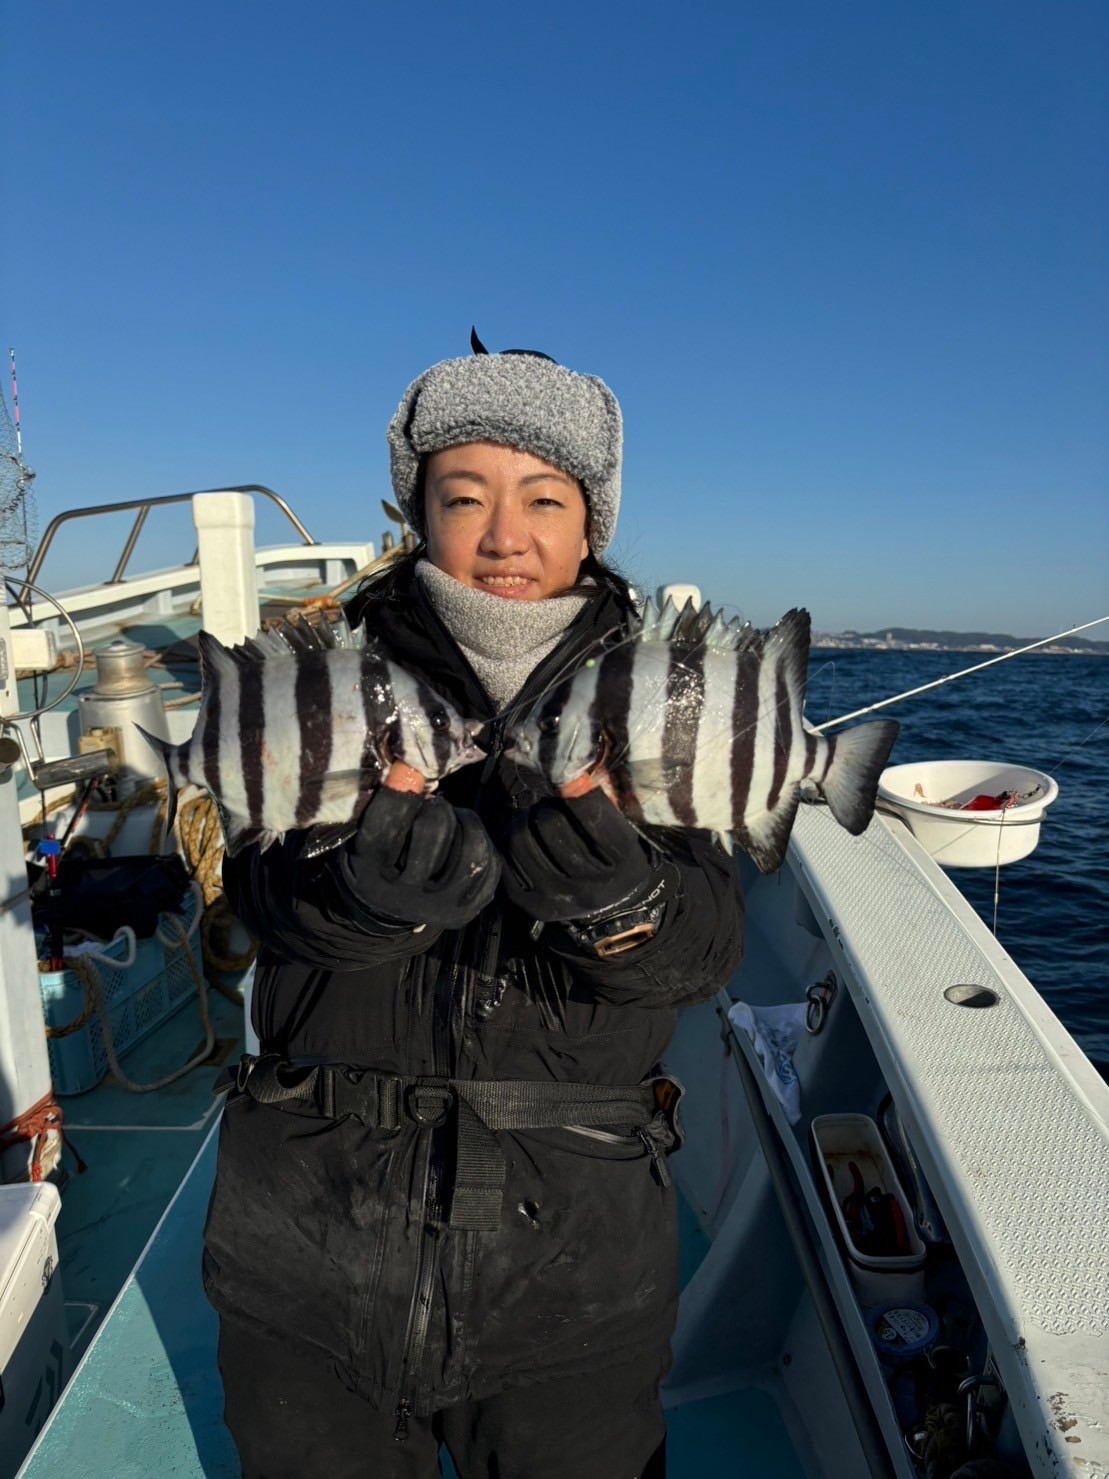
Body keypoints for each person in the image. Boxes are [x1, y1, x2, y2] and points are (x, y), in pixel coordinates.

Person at [203, 338, 745, 1479]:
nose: (505, 534)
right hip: (306, 1252)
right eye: (464, 497)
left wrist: (621, 905)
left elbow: (699, 948)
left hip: (572, 1281)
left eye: (544, 497)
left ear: (591, 521)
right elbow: (258, 888)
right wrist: (359, 899)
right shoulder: (325, 672)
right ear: (418, 515)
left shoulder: (665, 699)